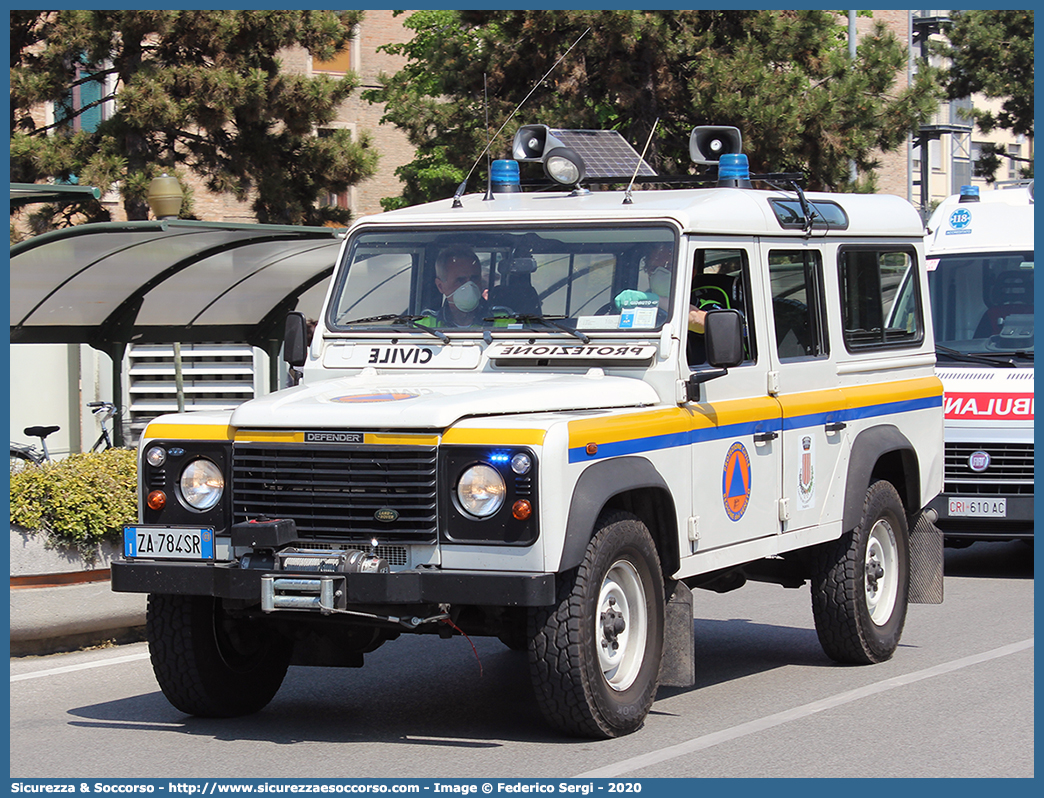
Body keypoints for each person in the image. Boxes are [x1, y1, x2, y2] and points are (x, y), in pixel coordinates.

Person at [614, 243, 714, 333]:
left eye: (669, 267)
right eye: (653, 268)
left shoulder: (705, 303)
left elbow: (705, 322)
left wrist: (658, 301)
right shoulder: (638, 301)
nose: (660, 272)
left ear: (691, 274)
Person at [430, 245, 489, 327]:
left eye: (474, 278)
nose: (470, 285)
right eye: (460, 280)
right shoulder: (422, 326)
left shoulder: (504, 321)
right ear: (440, 286)